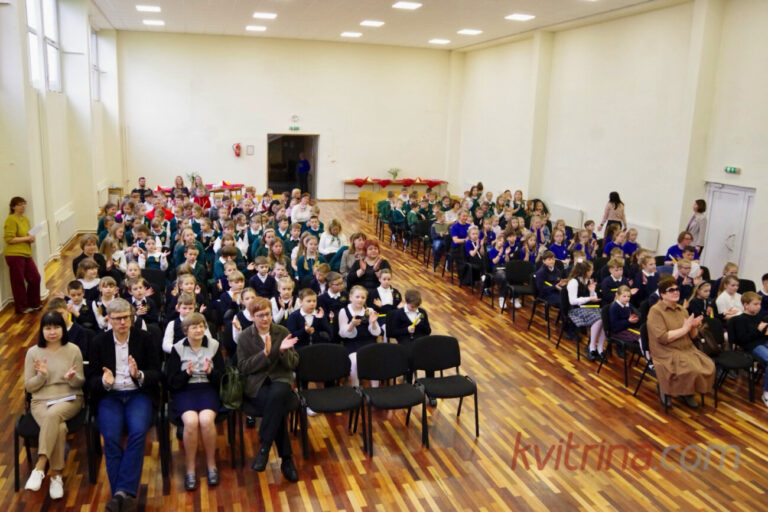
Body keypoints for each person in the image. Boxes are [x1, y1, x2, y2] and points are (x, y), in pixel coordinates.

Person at [87, 299, 161, 511]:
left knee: (138, 432)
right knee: (110, 437)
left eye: (126, 318)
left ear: (131, 318)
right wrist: (104, 382)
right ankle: (124, 494)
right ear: (109, 319)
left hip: (138, 394)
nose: (122, 322)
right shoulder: (98, 342)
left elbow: (157, 372)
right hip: (110, 396)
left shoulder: (144, 339)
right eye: (117, 318)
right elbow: (90, 379)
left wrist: (139, 375)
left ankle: (119, 494)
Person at [236, 297, 300, 482]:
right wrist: (264, 354)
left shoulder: (282, 331)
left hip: (280, 378)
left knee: (277, 394)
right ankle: (286, 459)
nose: (265, 318)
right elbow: (243, 367)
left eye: (268, 314)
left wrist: (282, 352)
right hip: (257, 382)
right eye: (260, 315)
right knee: (276, 407)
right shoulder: (245, 337)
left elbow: (293, 363)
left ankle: (265, 447)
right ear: (251, 316)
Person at [23, 312, 85, 500]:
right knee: (59, 427)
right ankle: (56, 475)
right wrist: (41, 376)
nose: (52, 332)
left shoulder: (73, 350)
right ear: (41, 330)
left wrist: (72, 378)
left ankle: (40, 466)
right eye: (47, 328)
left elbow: (81, 382)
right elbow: (29, 386)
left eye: (56, 327)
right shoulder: (33, 352)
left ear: (63, 329)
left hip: (69, 397)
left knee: (53, 416)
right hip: (41, 400)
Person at [165, 313, 224, 490]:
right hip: (185, 390)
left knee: (206, 420)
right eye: (194, 327)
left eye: (201, 326)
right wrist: (186, 374)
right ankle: (190, 469)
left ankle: (211, 465)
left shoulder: (214, 345)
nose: (199, 330)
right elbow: (171, 383)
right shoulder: (177, 348)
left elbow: (223, 379)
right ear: (186, 331)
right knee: (190, 422)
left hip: (208, 389)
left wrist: (210, 373)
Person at [646, 276, 715, 409]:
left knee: (709, 366)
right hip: (665, 350)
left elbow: (693, 336)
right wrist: (685, 329)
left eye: (677, 289)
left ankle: (686, 391)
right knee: (690, 368)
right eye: (671, 290)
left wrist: (693, 327)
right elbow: (663, 337)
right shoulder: (656, 311)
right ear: (662, 294)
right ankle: (667, 389)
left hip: (686, 347)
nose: (676, 292)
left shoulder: (682, 309)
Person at [4, 196, 42, 314]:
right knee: (18, 282)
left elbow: (27, 235)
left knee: (35, 278)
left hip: (26, 253)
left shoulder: (25, 219)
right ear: (13, 207)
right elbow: (9, 239)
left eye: (24, 204)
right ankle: (21, 307)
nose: (23, 206)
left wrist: (31, 238)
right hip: (14, 255)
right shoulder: (11, 219)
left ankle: (34, 303)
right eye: (20, 204)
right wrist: (27, 238)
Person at [730, 292, 768, 407]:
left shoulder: (760, 317)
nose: (759, 307)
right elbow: (743, 340)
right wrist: (758, 330)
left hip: (763, 342)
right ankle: (766, 393)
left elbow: (762, 335)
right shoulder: (739, 320)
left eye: (759, 304)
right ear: (746, 305)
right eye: (755, 304)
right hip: (751, 346)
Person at [566, 261, 606, 361]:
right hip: (576, 310)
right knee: (599, 318)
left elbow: (593, 298)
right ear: (585, 271)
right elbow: (572, 301)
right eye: (590, 270)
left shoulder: (588, 280)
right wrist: (589, 298)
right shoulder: (573, 282)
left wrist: (592, 291)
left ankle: (600, 348)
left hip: (588, 307)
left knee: (606, 316)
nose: (592, 272)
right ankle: (592, 347)